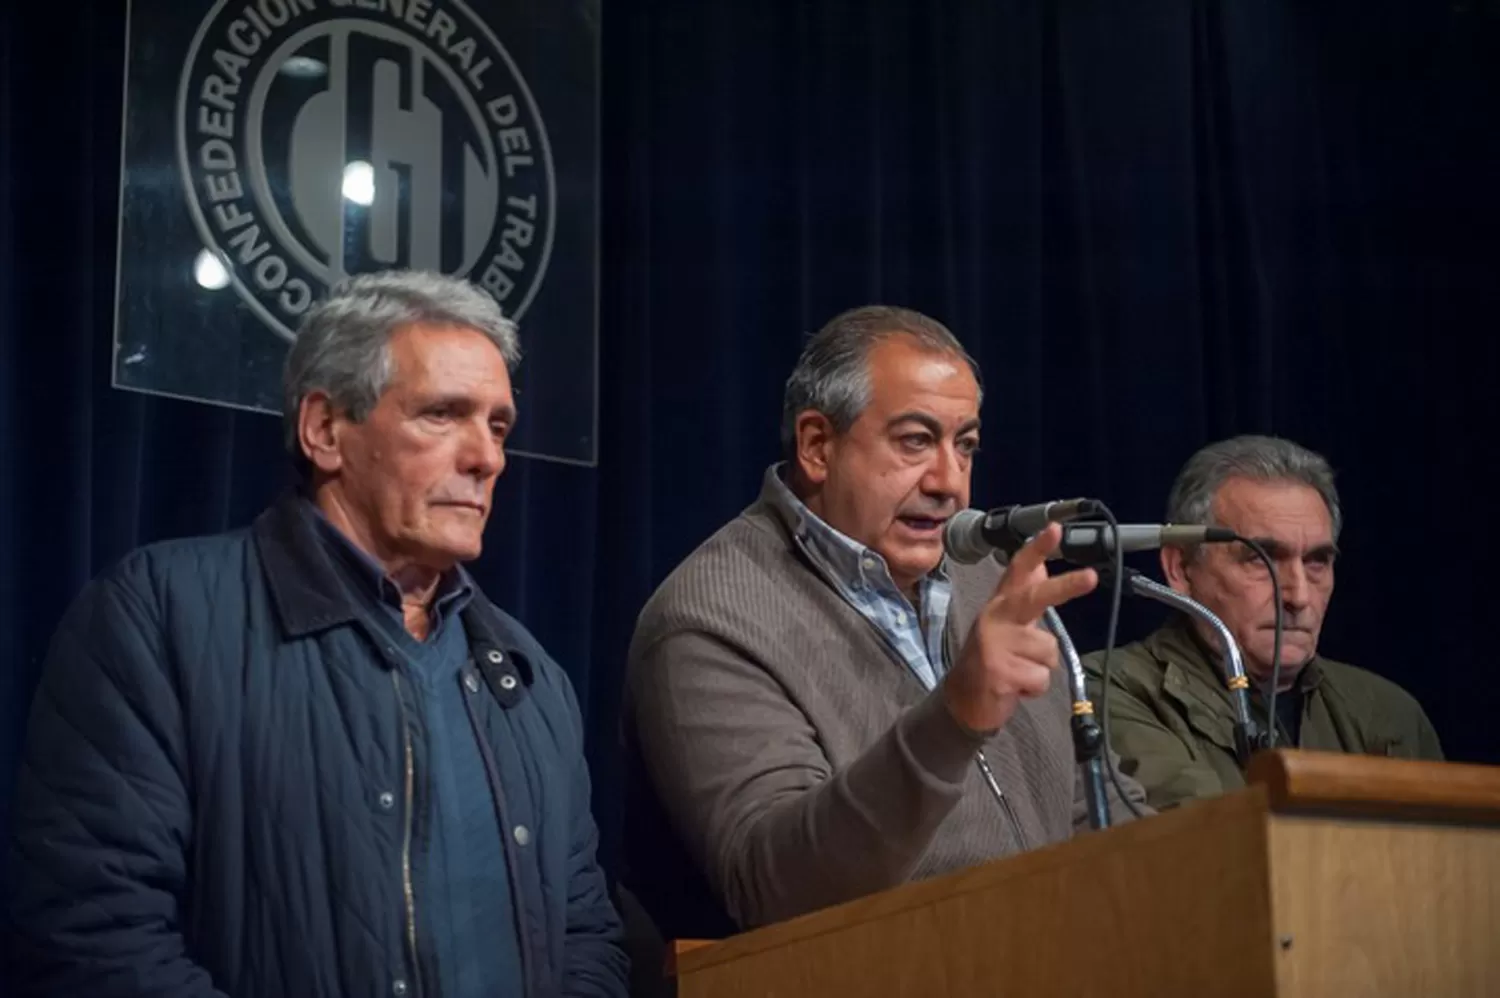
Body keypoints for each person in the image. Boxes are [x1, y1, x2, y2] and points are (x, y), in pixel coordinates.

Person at [6, 271, 628, 997]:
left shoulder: (532, 681)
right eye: (443, 415)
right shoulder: (158, 617)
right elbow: (93, 934)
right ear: (325, 430)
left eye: (497, 425)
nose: (487, 457)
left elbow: (586, 938)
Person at [621, 305, 1150, 938]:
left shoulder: (987, 581)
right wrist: (956, 717)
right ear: (818, 445)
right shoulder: (709, 617)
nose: (950, 483)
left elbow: (1094, 806)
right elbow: (776, 887)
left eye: (966, 445)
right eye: (916, 441)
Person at [1082, 434, 1443, 812]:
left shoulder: (1390, 712)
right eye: (1261, 559)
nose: (1298, 596)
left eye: (1317, 561)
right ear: (1181, 569)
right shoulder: (1109, 691)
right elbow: (1217, 844)